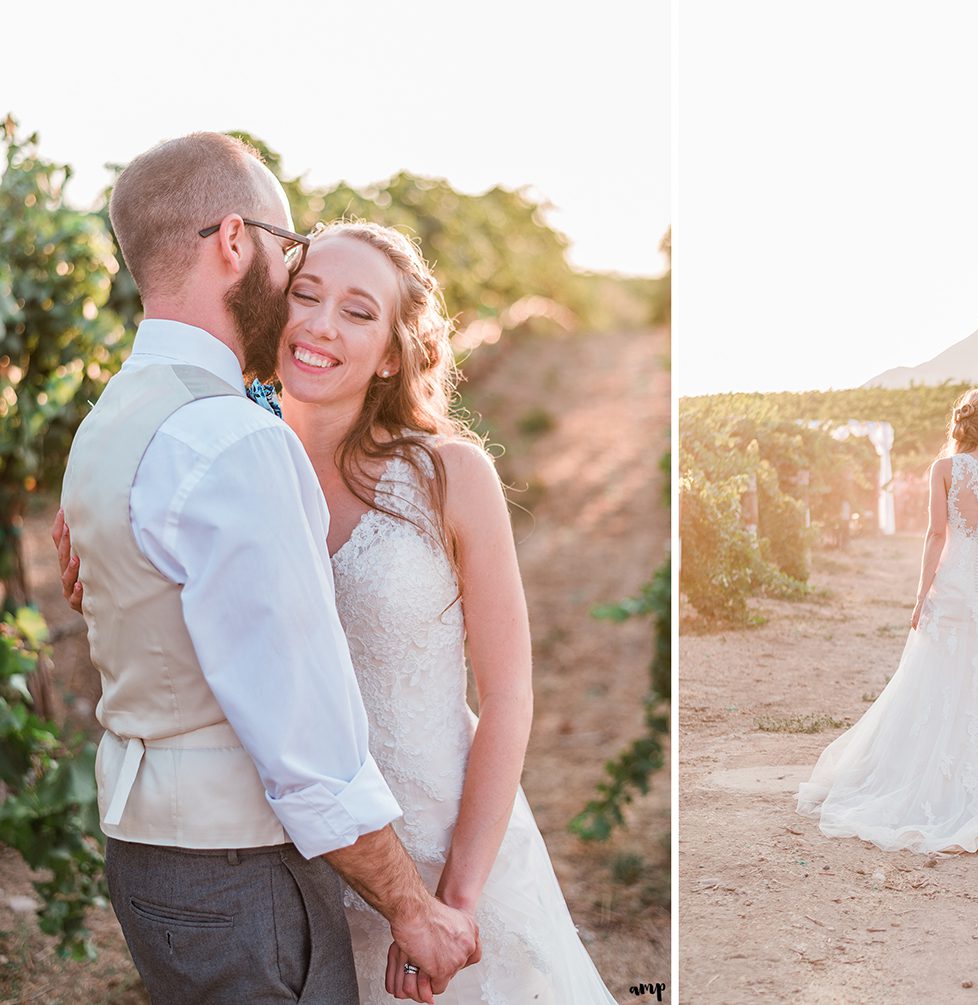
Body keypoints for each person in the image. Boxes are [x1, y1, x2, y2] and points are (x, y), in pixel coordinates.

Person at [58, 138, 616, 1002]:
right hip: (302, 854)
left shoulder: (448, 474)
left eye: (359, 312)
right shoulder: (221, 449)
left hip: (431, 847)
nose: (318, 324)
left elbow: (507, 695)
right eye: (306, 291)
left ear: (394, 350)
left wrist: (453, 897)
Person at [797, 389, 978, 856]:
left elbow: (937, 534)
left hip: (957, 583)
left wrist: (921, 596)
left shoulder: (944, 470)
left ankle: (935, 778)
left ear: (962, 425)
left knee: (940, 676)